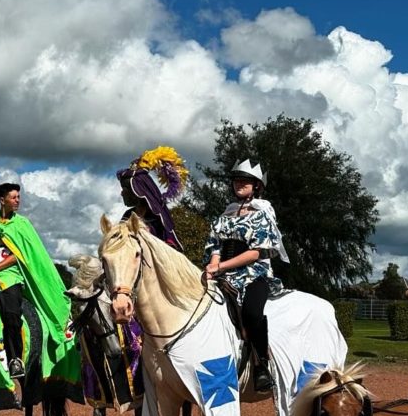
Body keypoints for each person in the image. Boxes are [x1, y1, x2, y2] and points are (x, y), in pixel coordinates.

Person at [0, 183, 77, 384]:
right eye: (13, 197)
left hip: (9, 277)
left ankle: (15, 358)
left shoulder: (22, 225)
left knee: (12, 314)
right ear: (2, 200)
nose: (18, 200)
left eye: (18, 197)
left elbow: (19, 255)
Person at [202, 159, 290, 393]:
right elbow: (215, 246)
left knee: (252, 312)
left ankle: (262, 365)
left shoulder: (262, 214)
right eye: (236, 180)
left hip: (253, 273)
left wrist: (221, 267)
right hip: (222, 273)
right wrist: (213, 267)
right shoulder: (225, 215)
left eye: (245, 181)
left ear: (257, 186)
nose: (239, 184)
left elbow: (254, 253)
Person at [117, 146, 187, 251]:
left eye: (125, 190)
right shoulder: (128, 215)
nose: (122, 194)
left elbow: (168, 249)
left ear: (138, 192)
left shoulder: (157, 217)